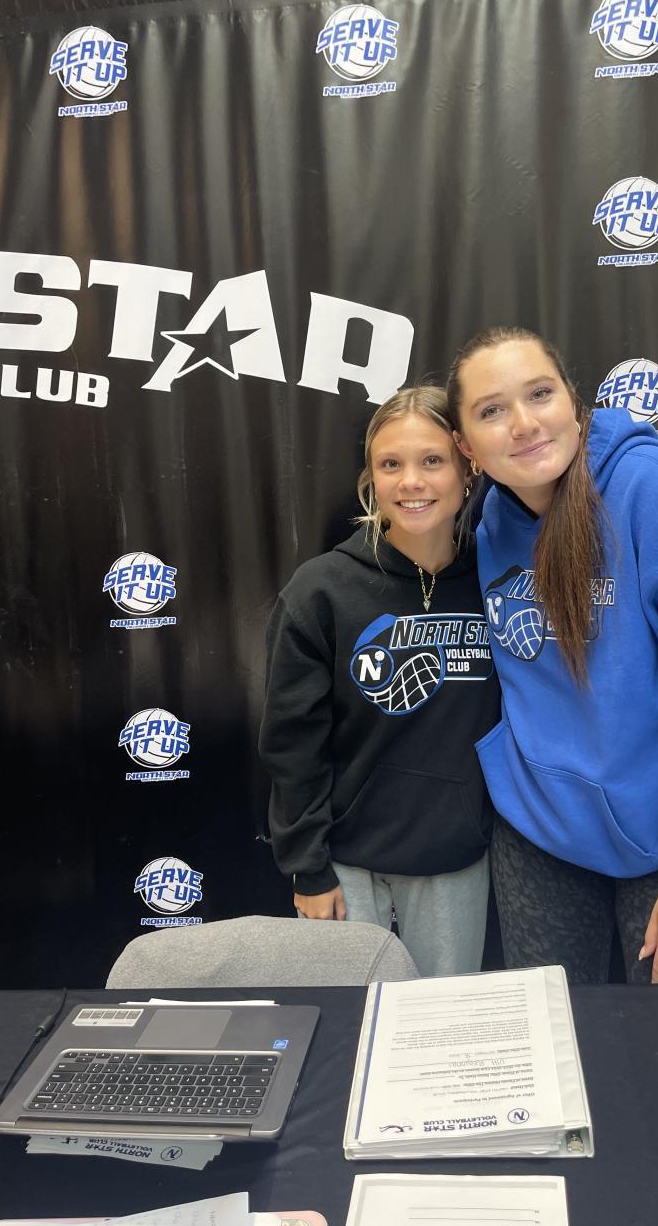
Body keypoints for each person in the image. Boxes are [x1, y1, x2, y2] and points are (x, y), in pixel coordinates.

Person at [445, 327, 658, 984]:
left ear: (573, 401)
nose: (523, 423)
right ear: (465, 445)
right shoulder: (492, 519)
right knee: (558, 1037)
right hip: (540, 841)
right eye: (491, 411)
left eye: (539, 394)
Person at [259, 386, 498, 978]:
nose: (411, 481)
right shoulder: (321, 590)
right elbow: (293, 744)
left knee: (442, 1023)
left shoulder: (499, 579)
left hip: (453, 859)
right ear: (371, 478)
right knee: (348, 1020)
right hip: (345, 866)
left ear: (467, 467)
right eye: (391, 464)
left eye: (432, 460)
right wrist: (308, 867)